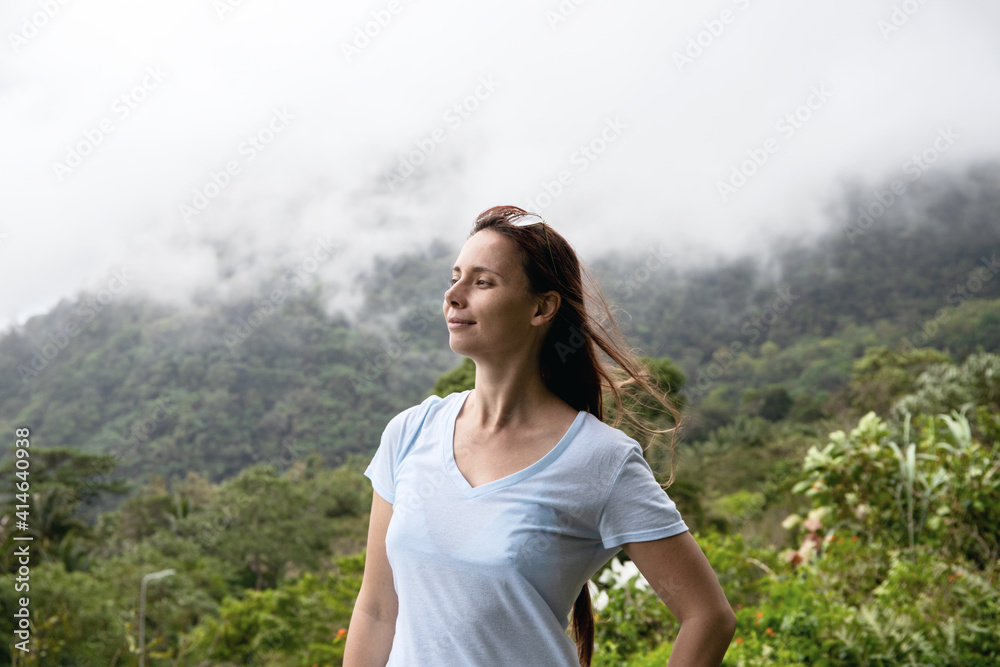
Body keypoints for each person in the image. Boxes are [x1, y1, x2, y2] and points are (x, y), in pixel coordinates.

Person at [344, 205, 736, 666]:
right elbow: (377, 610)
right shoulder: (410, 432)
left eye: (482, 282)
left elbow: (708, 617)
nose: (453, 295)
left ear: (542, 307)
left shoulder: (599, 459)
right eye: (454, 277)